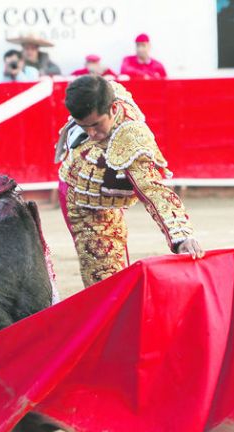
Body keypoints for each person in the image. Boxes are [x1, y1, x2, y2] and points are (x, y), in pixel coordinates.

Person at [55, 75, 204, 287]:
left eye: (96, 125)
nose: (92, 133)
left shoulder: (130, 137)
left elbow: (153, 189)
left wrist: (181, 236)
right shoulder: (104, 93)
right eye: (84, 127)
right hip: (81, 199)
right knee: (106, 280)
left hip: (100, 195)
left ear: (114, 108)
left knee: (114, 277)